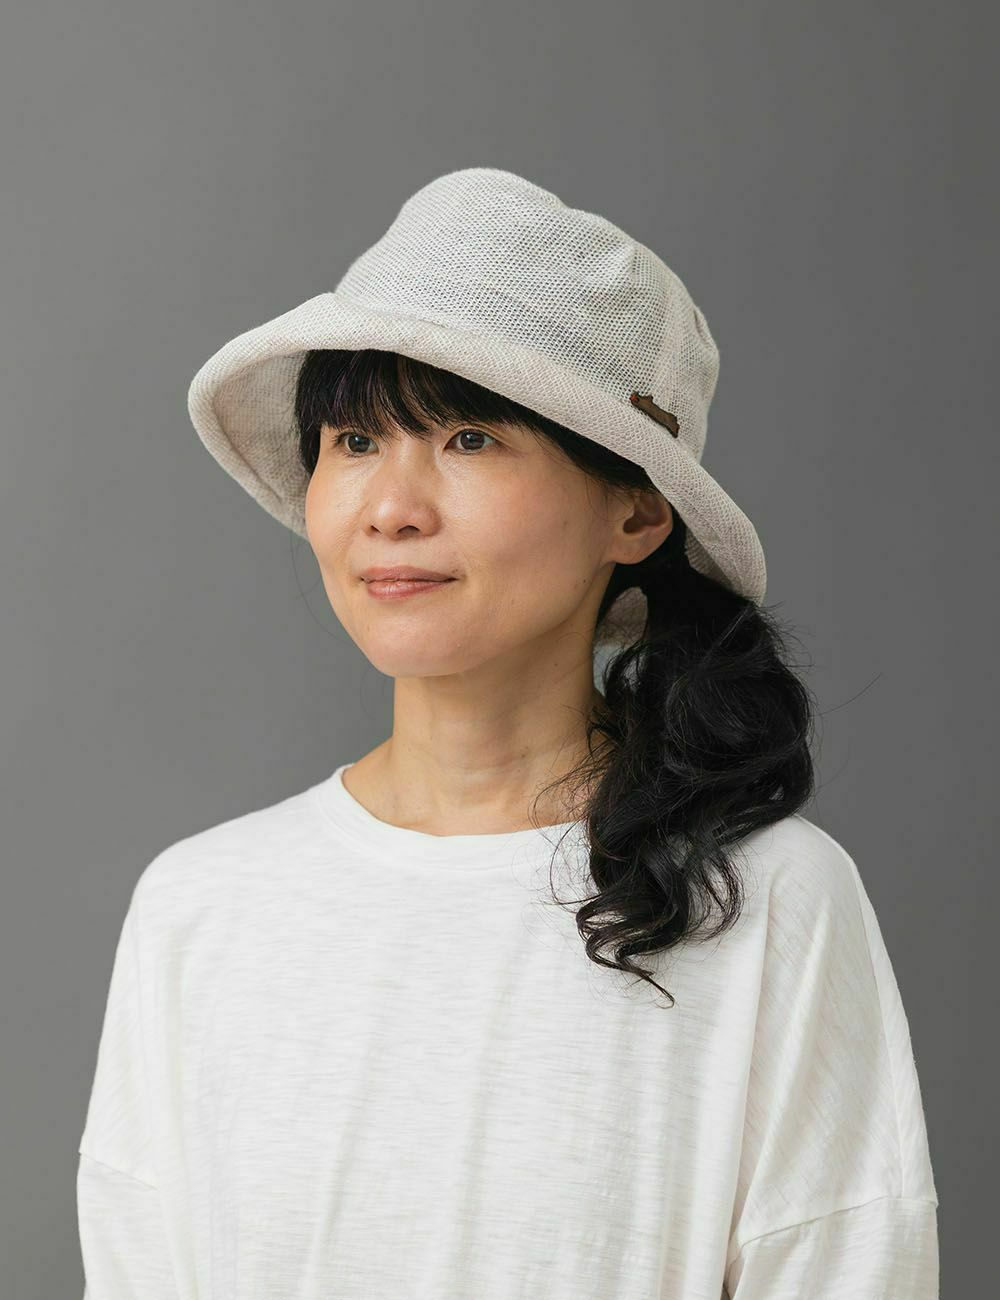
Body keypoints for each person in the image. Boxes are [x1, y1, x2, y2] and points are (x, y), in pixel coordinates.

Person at [76, 167, 939, 1299]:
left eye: (470, 438)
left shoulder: (766, 899)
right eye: (353, 439)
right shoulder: (201, 907)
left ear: (635, 510)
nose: (392, 508)